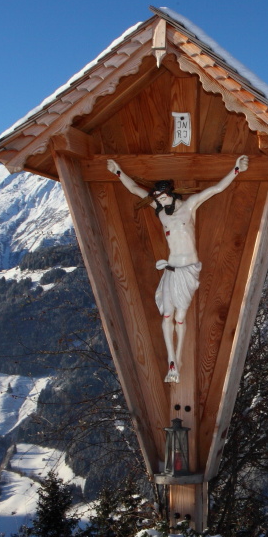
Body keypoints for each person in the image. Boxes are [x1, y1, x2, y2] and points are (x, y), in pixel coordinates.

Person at [107, 155, 249, 382]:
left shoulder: (189, 206)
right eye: (158, 199)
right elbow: (135, 189)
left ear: (171, 194)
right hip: (171, 267)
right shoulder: (161, 211)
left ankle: (179, 359)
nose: (161, 202)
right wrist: (117, 172)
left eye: (163, 197)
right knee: (167, 314)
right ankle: (171, 362)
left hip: (188, 269)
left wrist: (236, 170)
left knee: (180, 316)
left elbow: (215, 190)